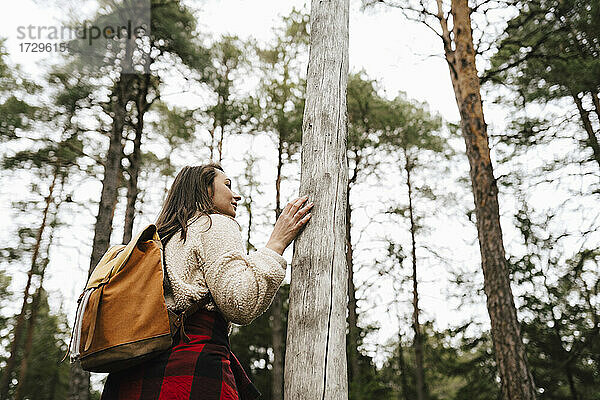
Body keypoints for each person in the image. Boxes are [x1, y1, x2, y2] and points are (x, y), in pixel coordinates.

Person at [101, 163, 313, 400]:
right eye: (228, 185)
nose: (237, 195)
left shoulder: (162, 240)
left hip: (127, 378)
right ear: (206, 189)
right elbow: (241, 302)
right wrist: (276, 245)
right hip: (189, 369)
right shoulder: (213, 223)